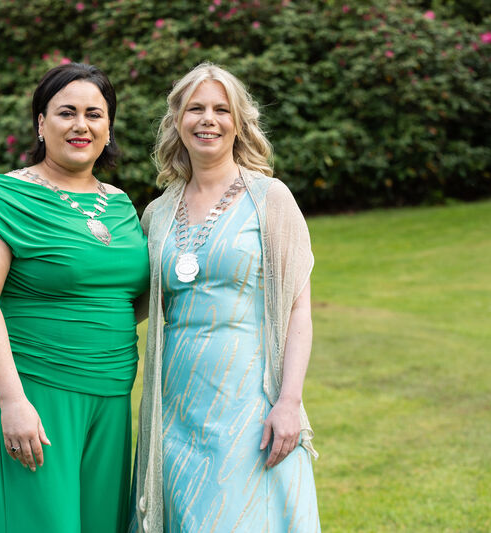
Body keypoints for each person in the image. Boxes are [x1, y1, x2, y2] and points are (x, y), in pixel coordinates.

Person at [0, 63, 149, 533]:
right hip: (35, 387)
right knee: (41, 524)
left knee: (101, 524)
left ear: (108, 128)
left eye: (94, 114)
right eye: (66, 112)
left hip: (112, 388)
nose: (81, 125)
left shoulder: (122, 206)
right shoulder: (3, 197)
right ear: (42, 124)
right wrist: (12, 401)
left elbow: (133, 297)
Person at [131, 63, 320, 532]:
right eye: (195, 108)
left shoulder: (271, 199)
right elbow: (134, 303)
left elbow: (299, 308)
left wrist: (289, 402)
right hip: (174, 400)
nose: (208, 119)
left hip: (250, 398)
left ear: (238, 122)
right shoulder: (156, 213)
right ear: (178, 120)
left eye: (221, 109)